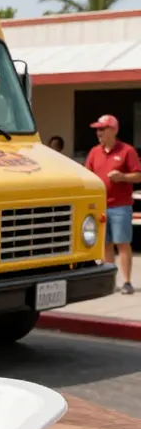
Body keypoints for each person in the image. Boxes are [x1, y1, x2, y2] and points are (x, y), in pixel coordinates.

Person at [84, 114, 141, 295]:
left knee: (122, 243)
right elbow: (88, 174)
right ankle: (110, 281)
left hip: (120, 206)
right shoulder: (94, 152)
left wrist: (122, 177)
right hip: (100, 206)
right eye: (97, 129)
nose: (99, 133)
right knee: (105, 244)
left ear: (114, 130)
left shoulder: (127, 151)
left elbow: (138, 175)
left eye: (102, 129)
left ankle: (127, 282)